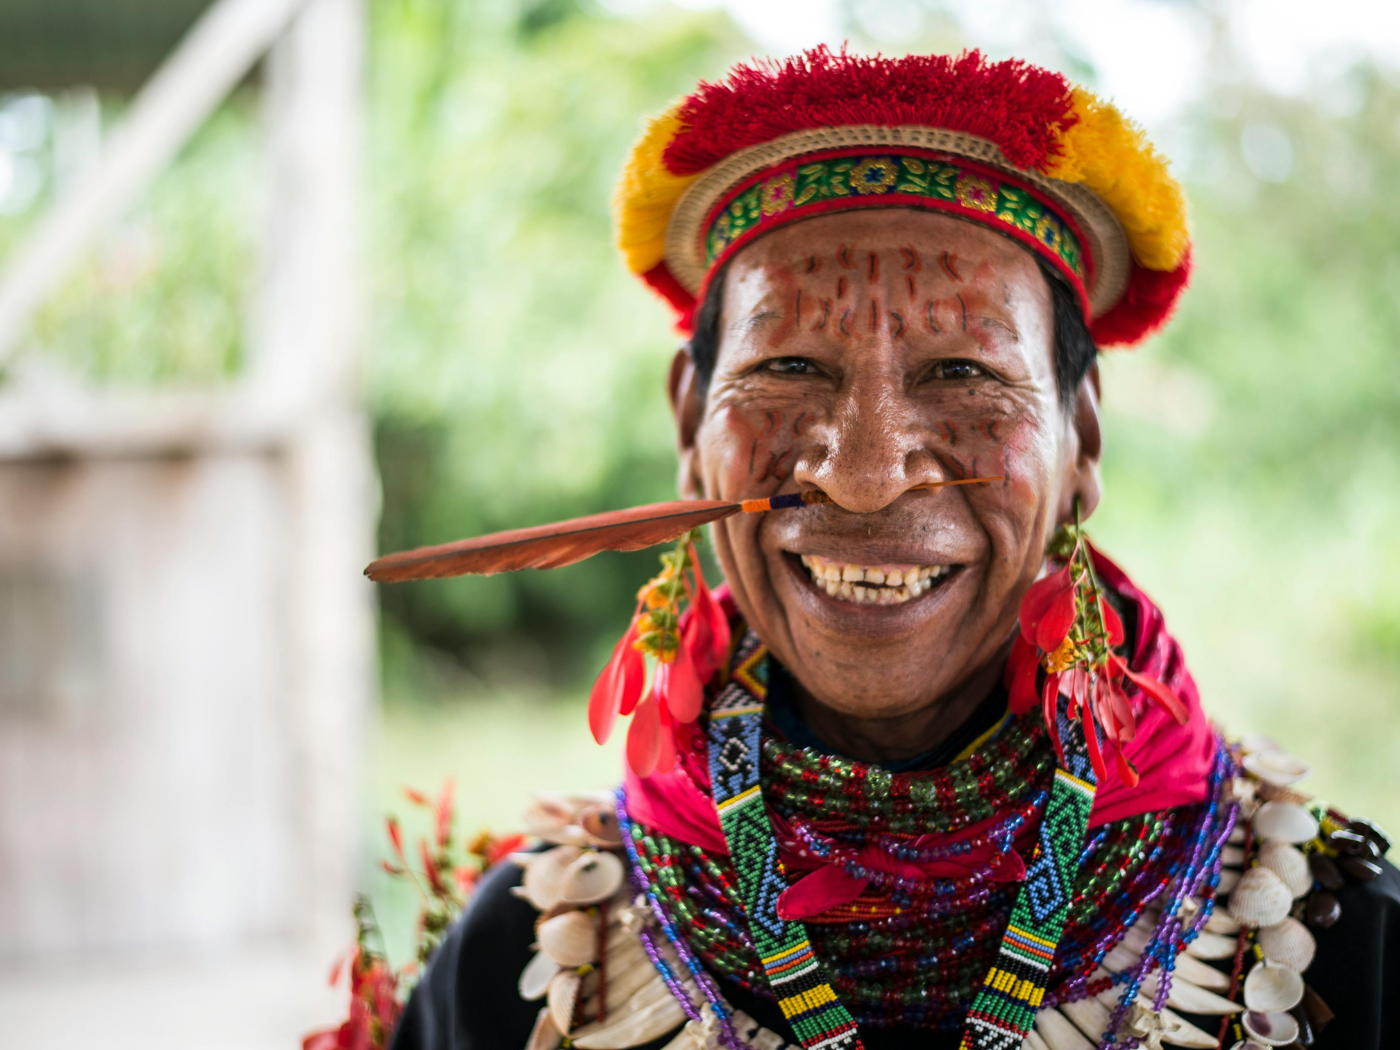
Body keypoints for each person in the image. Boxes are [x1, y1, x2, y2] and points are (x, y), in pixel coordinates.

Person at [388, 48, 1398, 1050]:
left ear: (1080, 437)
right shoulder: (528, 956)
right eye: (785, 364)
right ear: (689, 423)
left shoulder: (1334, 940)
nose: (863, 476)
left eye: (962, 371)